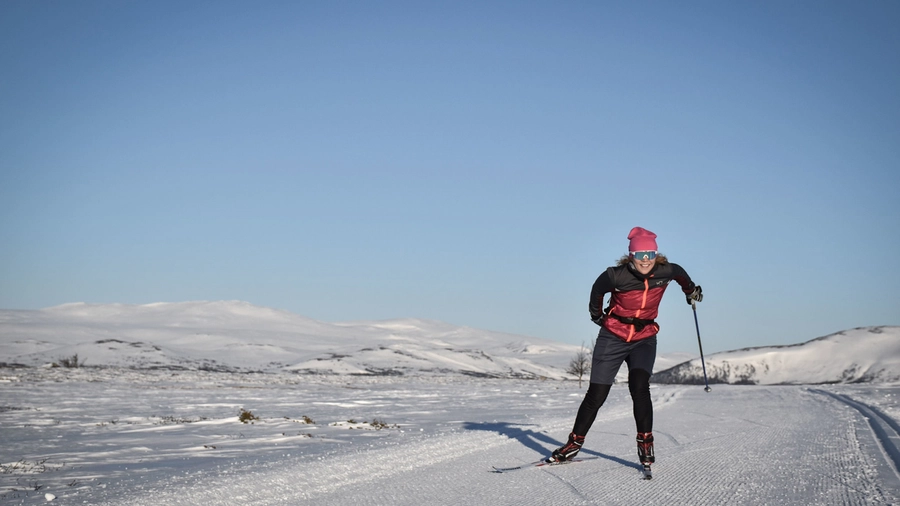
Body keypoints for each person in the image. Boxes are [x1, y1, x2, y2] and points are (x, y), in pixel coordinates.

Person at [548, 227, 702, 471]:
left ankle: (645, 443)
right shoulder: (614, 276)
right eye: (640, 254)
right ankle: (574, 444)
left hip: (644, 337)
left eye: (650, 253)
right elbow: (597, 291)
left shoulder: (667, 271)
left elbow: (683, 277)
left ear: (656, 254)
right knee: (596, 395)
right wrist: (597, 316)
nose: (645, 259)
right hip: (613, 337)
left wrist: (691, 291)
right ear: (631, 255)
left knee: (639, 386)